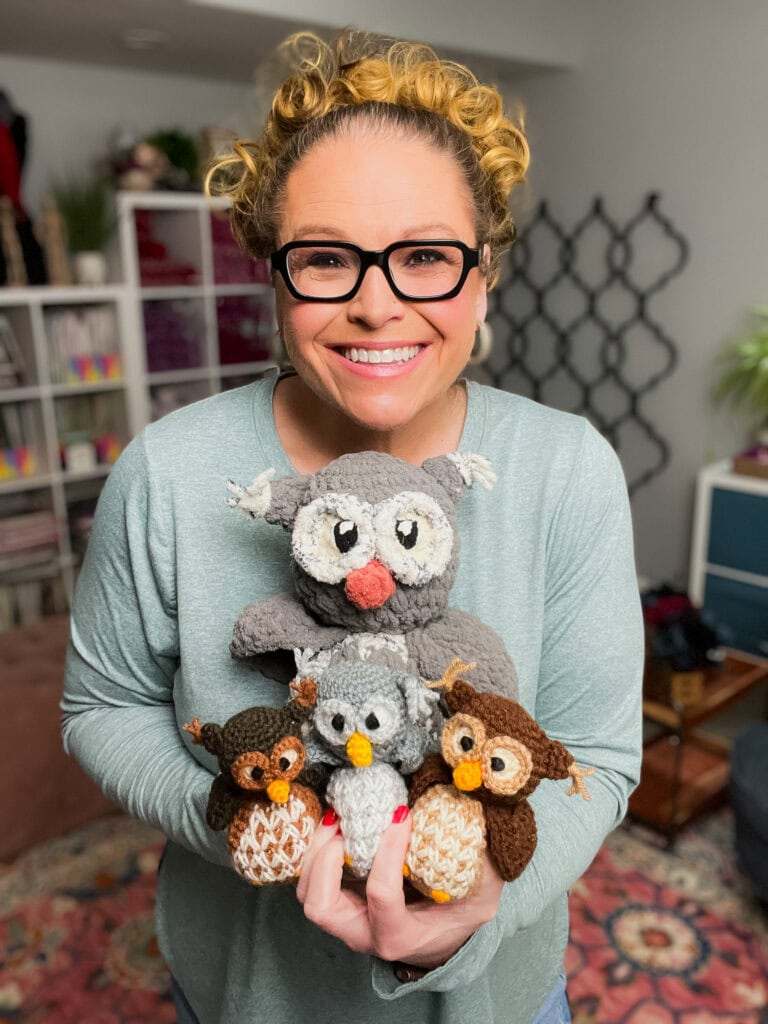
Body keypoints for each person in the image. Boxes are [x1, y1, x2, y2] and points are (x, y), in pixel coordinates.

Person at [62, 29, 643, 1024]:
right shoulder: (165, 472)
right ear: (273, 272)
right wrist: (244, 820)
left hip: (499, 997)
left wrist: (483, 900)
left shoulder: (569, 468)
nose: (379, 306)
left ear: (485, 269)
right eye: (328, 257)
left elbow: (597, 752)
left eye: (424, 255)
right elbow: (100, 707)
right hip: (249, 994)